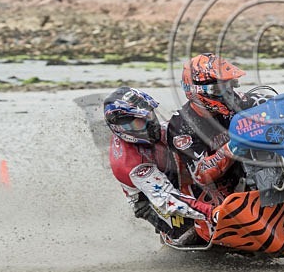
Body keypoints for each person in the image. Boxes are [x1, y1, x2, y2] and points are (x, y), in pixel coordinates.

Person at [103, 86, 213, 244]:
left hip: (165, 168)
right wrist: (212, 212)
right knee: (188, 235)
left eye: (149, 116)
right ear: (120, 128)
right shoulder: (130, 163)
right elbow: (166, 199)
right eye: (138, 124)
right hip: (150, 198)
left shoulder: (155, 129)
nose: (149, 125)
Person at [166, 53, 249, 201]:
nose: (228, 94)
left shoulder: (235, 100)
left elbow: (265, 104)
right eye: (219, 90)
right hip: (204, 192)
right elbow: (201, 174)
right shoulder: (182, 127)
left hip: (239, 172)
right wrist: (234, 146)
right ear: (197, 91)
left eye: (229, 86)